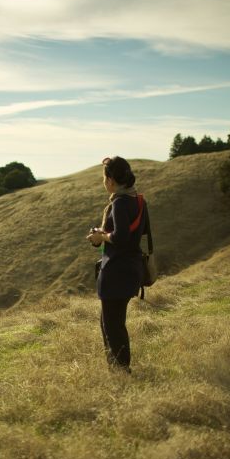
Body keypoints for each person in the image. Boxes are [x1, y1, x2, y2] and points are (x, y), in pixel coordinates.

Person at [85, 156, 149, 373]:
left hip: (116, 272)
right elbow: (138, 233)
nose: (103, 182)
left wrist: (102, 237)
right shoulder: (137, 200)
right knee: (110, 323)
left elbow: (121, 237)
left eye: (104, 177)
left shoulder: (119, 203)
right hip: (131, 269)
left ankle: (121, 372)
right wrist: (103, 236)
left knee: (112, 326)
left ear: (111, 180)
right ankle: (117, 369)